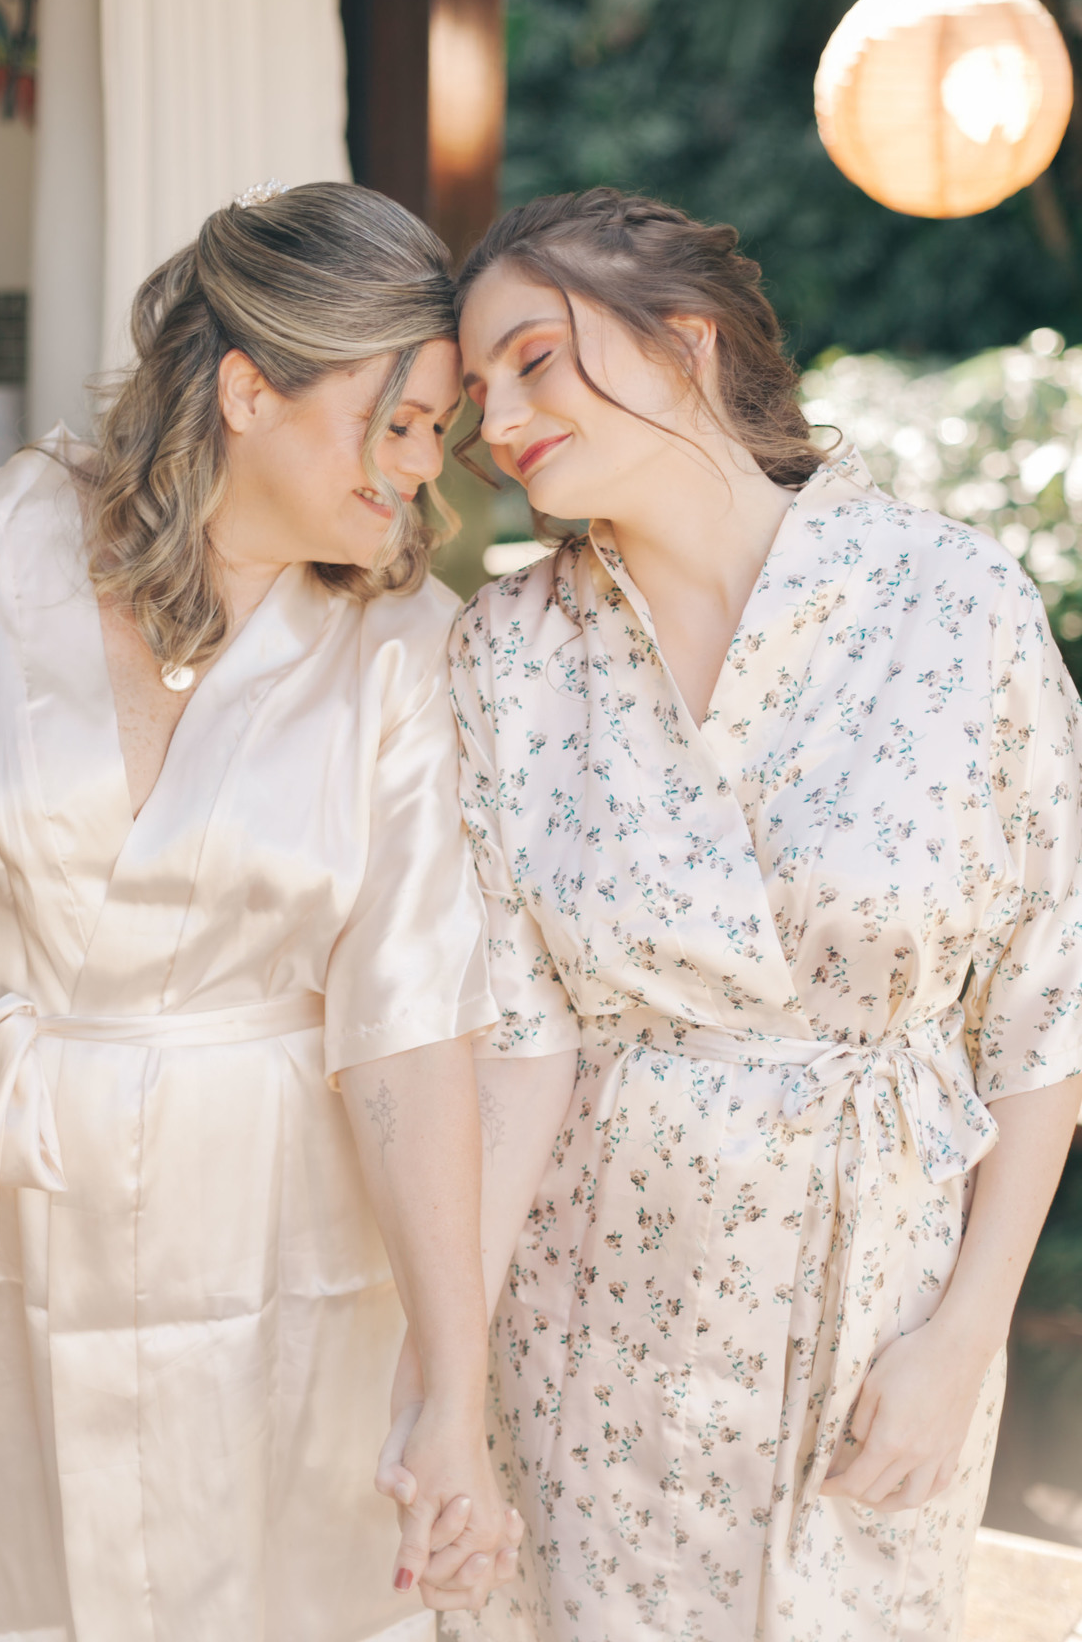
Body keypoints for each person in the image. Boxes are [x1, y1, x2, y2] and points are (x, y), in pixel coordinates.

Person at [430, 188, 1082, 1640]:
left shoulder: (955, 604)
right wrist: (445, 1387)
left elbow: (1050, 1010)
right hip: (590, 1318)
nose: (501, 417)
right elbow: (520, 1045)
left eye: (534, 360)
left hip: (880, 1304)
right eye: (476, 391)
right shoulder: (506, 655)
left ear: (686, 341)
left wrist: (963, 1338)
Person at [0, 181, 519, 1642]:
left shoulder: (402, 647)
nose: (419, 470)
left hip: (271, 1251)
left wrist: (452, 1391)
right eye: (396, 422)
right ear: (247, 391)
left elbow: (413, 1032)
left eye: (438, 433)